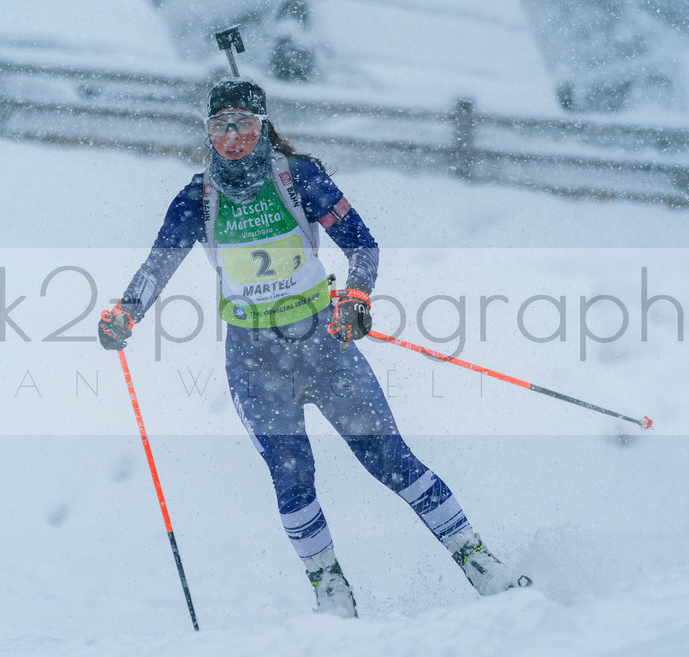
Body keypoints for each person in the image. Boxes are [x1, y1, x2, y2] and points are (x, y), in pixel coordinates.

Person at [99, 76, 530, 618]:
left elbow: (363, 245)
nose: (231, 137)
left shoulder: (299, 178)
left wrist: (355, 296)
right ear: (207, 133)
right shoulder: (197, 198)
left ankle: (478, 560)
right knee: (291, 471)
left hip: (323, 345)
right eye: (219, 126)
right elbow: (158, 265)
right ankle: (331, 590)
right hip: (255, 360)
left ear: (262, 126)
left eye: (243, 125)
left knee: (388, 459)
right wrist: (126, 313)